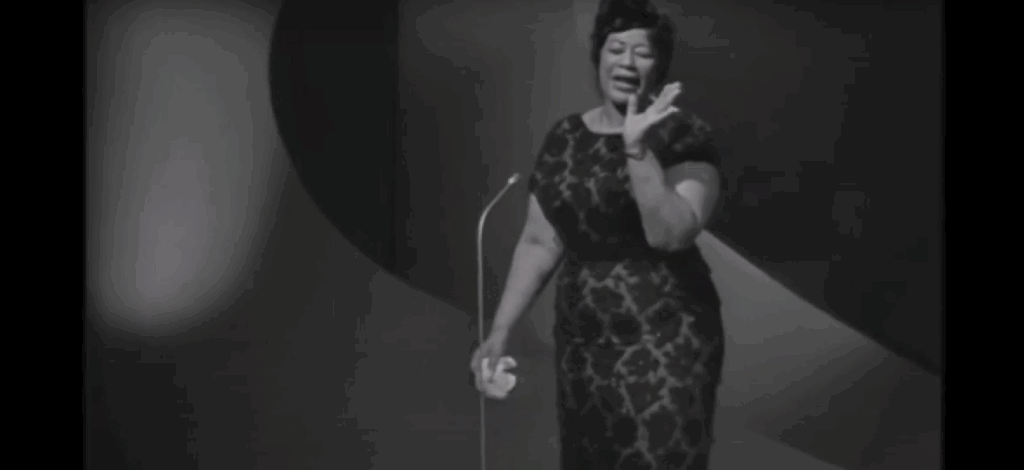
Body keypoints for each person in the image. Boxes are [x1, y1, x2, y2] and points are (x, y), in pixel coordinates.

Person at [470, 0, 725, 468]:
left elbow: (670, 235)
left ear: (659, 66)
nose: (627, 62)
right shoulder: (565, 136)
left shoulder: (684, 133)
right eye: (616, 48)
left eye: (642, 53)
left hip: (665, 340)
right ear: (598, 56)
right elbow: (539, 241)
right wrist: (500, 331)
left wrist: (636, 148)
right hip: (584, 343)